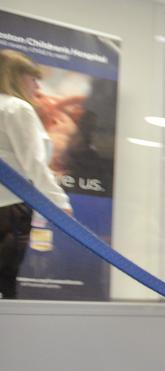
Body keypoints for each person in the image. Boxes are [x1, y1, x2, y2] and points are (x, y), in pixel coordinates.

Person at [0, 49, 72, 299]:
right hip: (10, 207)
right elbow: (34, 163)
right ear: (17, 77)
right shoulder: (17, 108)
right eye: (33, 79)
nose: (37, 85)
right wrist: (59, 203)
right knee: (5, 281)